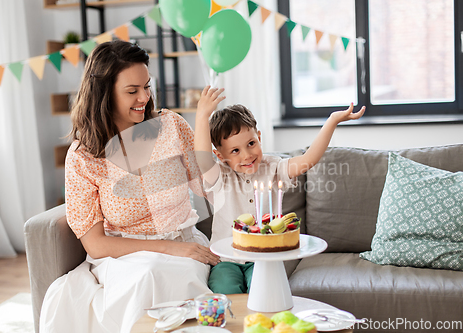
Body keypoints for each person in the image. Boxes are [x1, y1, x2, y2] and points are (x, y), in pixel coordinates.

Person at [39, 40, 220, 333]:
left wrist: (211, 131)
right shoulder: (82, 157)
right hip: (124, 259)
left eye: (147, 86)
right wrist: (171, 249)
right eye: (132, 91)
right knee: (148, 275)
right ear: (104, 94)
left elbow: (210, 185)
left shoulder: (170, 126)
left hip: (184, 245)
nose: (144, 98)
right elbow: (96, 245)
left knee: (162, 277)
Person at [194, 86, 365, 294]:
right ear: (220, 155)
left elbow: (308, 160)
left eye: (251, 143)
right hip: (226, 259)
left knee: (265, 290)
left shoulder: (274, 167)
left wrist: (331, 121)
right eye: (235, 151)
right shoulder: (219, 176)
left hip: (264, 258)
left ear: (259, 136)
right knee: (225, 290)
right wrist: (202, 115)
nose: (247, 155)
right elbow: (202, 159)